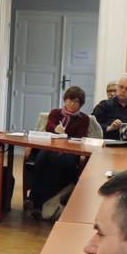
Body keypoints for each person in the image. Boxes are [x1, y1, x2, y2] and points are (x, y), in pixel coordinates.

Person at [28, 87, 91, 219]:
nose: (71, 104)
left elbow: (81, 137)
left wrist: (66, 135)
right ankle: (37, 200)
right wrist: (56, 128)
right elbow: (49, 126)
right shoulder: (55, 113)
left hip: (70, 153)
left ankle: (40, 202)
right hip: (50, 148)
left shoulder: (83, 119)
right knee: (41, 158)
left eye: (75, 102)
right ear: (64, 100)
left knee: (57, 163)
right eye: (69, 101)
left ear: (80, 104)